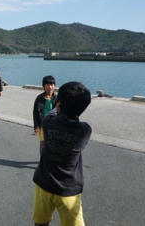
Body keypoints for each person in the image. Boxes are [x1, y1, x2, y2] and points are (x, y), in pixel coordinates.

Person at [32, 81, 92, 226]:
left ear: (58, 104)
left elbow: (53, 112)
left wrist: (56, 101)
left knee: (41, 222)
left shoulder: (48, 122)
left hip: (43, 184)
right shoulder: (84, 131)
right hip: (68, 189)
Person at [33, 75, 57, 155]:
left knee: (53, 144)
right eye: (47, 85)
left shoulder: (57, 98)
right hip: (43, 125)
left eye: (52, 85)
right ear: (43, 86)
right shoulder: (39, 98)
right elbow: (35, 113)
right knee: (43, 144)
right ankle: (43, 161)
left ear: (54, 86)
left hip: (54, 125)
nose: (50, 87)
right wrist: (36, 126)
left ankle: (51, 161)